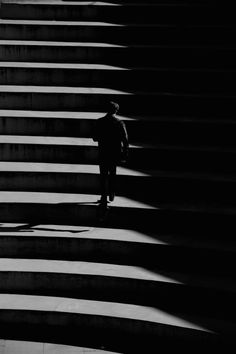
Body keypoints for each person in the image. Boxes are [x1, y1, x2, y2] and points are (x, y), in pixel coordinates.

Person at [93, 101, 129, 207]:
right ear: (116, 110)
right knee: (113, 173)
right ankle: (111, 194)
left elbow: (95, 138)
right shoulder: (119, 123)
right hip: (114, 152)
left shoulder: (99, 122)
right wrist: (125, 153)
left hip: (103, 151)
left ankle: (103, 196)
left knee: (103, 175)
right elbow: (125, 140)